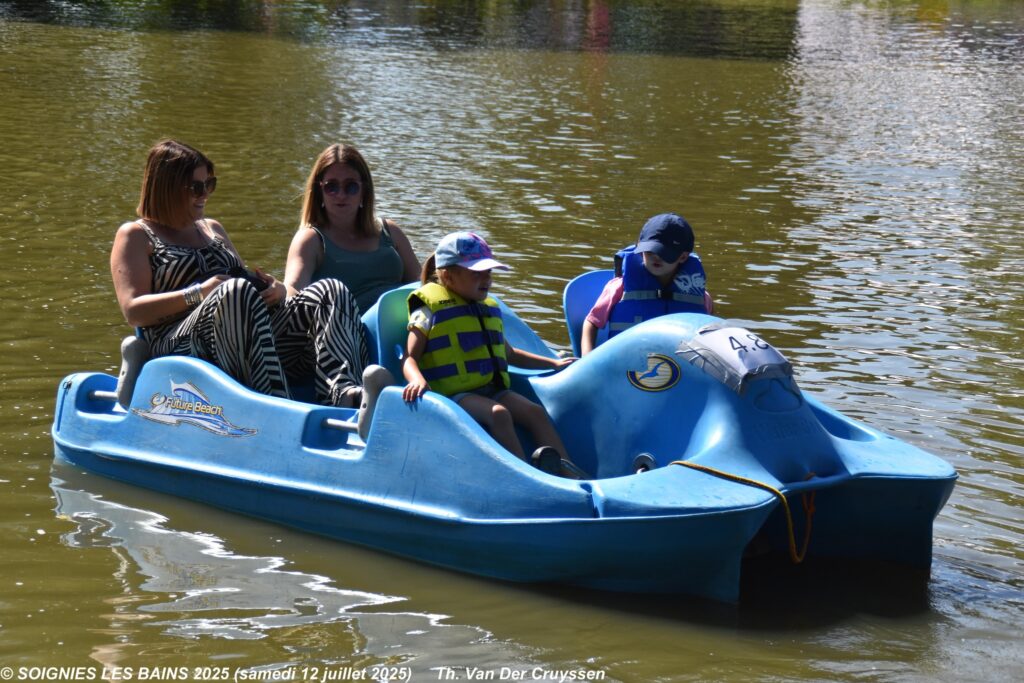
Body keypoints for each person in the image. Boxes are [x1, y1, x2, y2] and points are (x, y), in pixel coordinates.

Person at [110, 139, 376, 411]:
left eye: (209, 185)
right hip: (178, 346)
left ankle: (346, 397)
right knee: (234, 292)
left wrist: (275, 291)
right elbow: (134, 311)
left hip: (240, 337)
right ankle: (277, 407)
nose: (205, 194)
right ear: (167, 188)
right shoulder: (137, 235)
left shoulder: (211, 228)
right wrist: (199, 293)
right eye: (196, 188)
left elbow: (242, 289)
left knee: (330, 291)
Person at [400, 232, 582, 476]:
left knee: (535, 413)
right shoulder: (428, 310)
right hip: (454, 395)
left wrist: (553, 363)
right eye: (477, 273)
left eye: (489, 272)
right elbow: (409, 357)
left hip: (491, 388)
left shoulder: (486, 310)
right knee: (499, 414)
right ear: (448, 275)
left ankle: (569, 473)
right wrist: (417, 380)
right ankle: (524, 476)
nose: (486, 279)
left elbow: (510, 354)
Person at [285, 143, 420, 314]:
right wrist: (279, 292)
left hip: (405, 321)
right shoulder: (310, 240)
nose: (341, 195)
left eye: (351, 187)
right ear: (320, 192)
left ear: (364, 190)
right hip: (348, 327)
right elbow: (293, 290)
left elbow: (421, 282)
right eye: (331, 187)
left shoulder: (390, 231)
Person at [581, 212, 714, 355]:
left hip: (676, 365)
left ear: (682, 257)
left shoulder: (700, 296)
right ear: (639, 249)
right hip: (625, 363)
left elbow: (711, 333)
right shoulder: (618, 287)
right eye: (650, 251)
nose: (656, 257)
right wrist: (586, 359)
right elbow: (591, 323)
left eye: (664, 253)